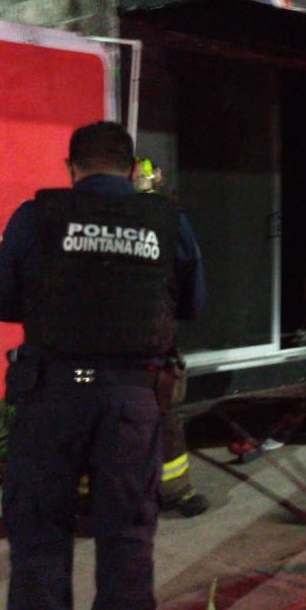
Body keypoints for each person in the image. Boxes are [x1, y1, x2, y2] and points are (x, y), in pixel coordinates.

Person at [0, 121, 205, 610]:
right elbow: (195, 302)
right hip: (133, 397)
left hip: (52, 394)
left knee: (39, 531)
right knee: (127, 525)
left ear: (71, 167)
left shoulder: (37, 218)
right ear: (132, 170)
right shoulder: (166, 220)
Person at [133, 158, 207, 518]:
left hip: (89, 341)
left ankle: (89, 494)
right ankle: (175, 491)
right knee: (162, 410)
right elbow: (190, 264)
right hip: (150, 334)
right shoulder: (167, 217)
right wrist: (186, 312)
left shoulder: (79, 214)